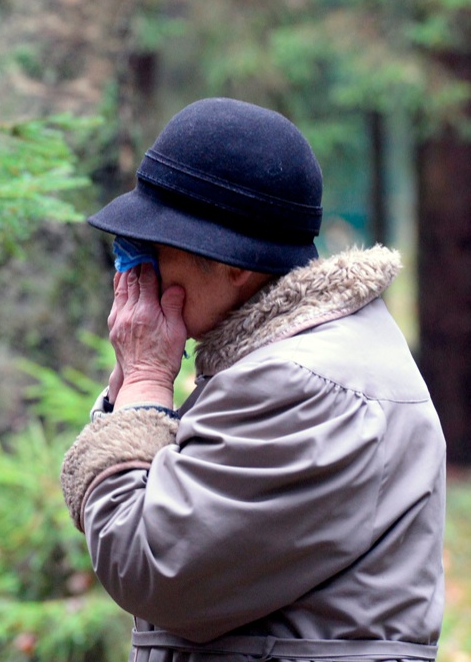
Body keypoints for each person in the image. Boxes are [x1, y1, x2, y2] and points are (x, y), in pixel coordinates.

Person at [60, 97, 445, 662]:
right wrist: (135, 387)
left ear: (233, 264)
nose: (136, 265)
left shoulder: (299, 385)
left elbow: (147, 565)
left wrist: (144, 380)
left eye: (155, 244)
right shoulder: (297, 358)